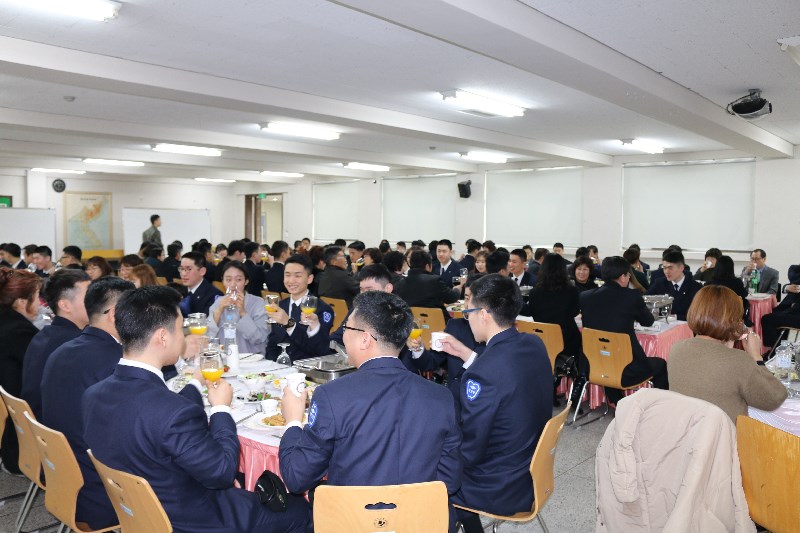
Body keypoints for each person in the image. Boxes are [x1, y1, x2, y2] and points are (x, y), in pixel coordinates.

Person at [82, 286, 310, 532]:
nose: (183, 337)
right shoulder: (171, 412)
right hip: (196, 520)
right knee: (305, 511)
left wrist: (195, 383)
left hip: (140, 514)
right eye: (180, 329)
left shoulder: (93, 395)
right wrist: (221, 409)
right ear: (162, 337)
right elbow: (222, 472)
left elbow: (157, 415)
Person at [279, 290, 462, 528]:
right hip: (420, 522)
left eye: (347, 328)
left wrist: (293, 420)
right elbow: (449, 480)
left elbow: (297, 478)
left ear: (365, 339)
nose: (343, 335)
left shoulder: (332, 395)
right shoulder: (441, 396)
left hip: (352, 523)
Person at [438, 274, 552, 532]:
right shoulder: (533, 343)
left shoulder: (483, 373)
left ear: (483, 314)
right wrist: (467, 355)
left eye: (468, 312)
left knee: (430, 469)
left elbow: (471, 451)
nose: (467, 318)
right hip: (530, 471)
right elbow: (504, 377)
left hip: (498, 486)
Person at [40, 277, 135, 528]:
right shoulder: (118, 362)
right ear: (115, 315)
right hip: (103, 493)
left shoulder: (62, 350)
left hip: (66, 478)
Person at [668, 285, 786, 422]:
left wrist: (728, 342)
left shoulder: (676, 349)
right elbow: (775, 398)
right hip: (724, 434)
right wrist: (756, 356)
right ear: (734, 321)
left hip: (685, 430)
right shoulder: (739, 361)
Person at [581, 256, 669, 404]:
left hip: (595, 366)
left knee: (609, 355)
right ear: (623, 277)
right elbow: (648, 321)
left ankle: (617, 401)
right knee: (660, 364)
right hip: (627, 370)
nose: (628, 278)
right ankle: (661, 406)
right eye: (628, 275)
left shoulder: (585, 296)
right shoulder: (631, 297)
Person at [21, 269, 91, 419]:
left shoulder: (44, 334)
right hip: (52, 426)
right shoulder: (74, 345)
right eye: (89, 297)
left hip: (36, 424)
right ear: (65, 305)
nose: (96, 301)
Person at [0, 268, 41, 474]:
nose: (40, 304)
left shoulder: (7, 321)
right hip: (21, 434)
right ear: (22, 302)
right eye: (37, 297)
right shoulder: (19, 332)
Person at [265, 254, 334, 362]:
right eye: (287, 275)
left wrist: (289, 323)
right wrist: (271, 365)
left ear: (309, 279)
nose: (291, 281)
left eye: (297, 276)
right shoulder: (281, 306)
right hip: (278, 368)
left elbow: (320, 349)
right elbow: (272, 343)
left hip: (306, 368)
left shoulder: (322, 309)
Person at [524, 253, 581, 363]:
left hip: (542, 340)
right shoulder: (572, 291)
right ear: (563, 270)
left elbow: (533, 312)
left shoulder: (534, 292)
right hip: (567, 341)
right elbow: (575, 312)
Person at [207, 261, 269, 354]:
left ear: (246, 281)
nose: (233, 285)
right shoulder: (218, 303)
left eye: (238, 280)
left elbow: (259, 338)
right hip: (224, 358)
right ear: (222, 281)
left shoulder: (258, 303)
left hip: (251, 358)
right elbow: (207, 337)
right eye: (228, 280)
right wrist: (219, 311)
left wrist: (243, 312)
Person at [646, 249, 702, 321]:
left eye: (670, 268)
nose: (667, 272)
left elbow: (697, 315)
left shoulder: (696, 288)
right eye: (664, 268)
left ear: (681, 268)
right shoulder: (659, 283)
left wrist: (674, 317)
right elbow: (644, 300)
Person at [393, 250, 458, 309]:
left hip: (411, 318)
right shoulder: (435, 281)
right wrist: (457, 288)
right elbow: (451, 298)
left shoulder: (400, 283)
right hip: (435, 318)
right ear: (427, 266)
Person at [760, 265, 800, 347]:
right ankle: (778, 347)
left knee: (767, 319)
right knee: (771, 315)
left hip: (796, 314)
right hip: (791, 310)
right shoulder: (795, 271)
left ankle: (775, 349)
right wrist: (787, 287)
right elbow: (792, 283)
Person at [707, 255, 751, 326]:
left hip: (713, 316)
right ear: (731, 268)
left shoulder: (710, 283)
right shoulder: (736, 282)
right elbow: (744, 294)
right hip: (733, 316)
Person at [178, 251, 222, 316]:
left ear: (202, 271)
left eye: (189, 269)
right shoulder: (178, 291)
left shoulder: (214, 296)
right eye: (181, 269)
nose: (183, 274)